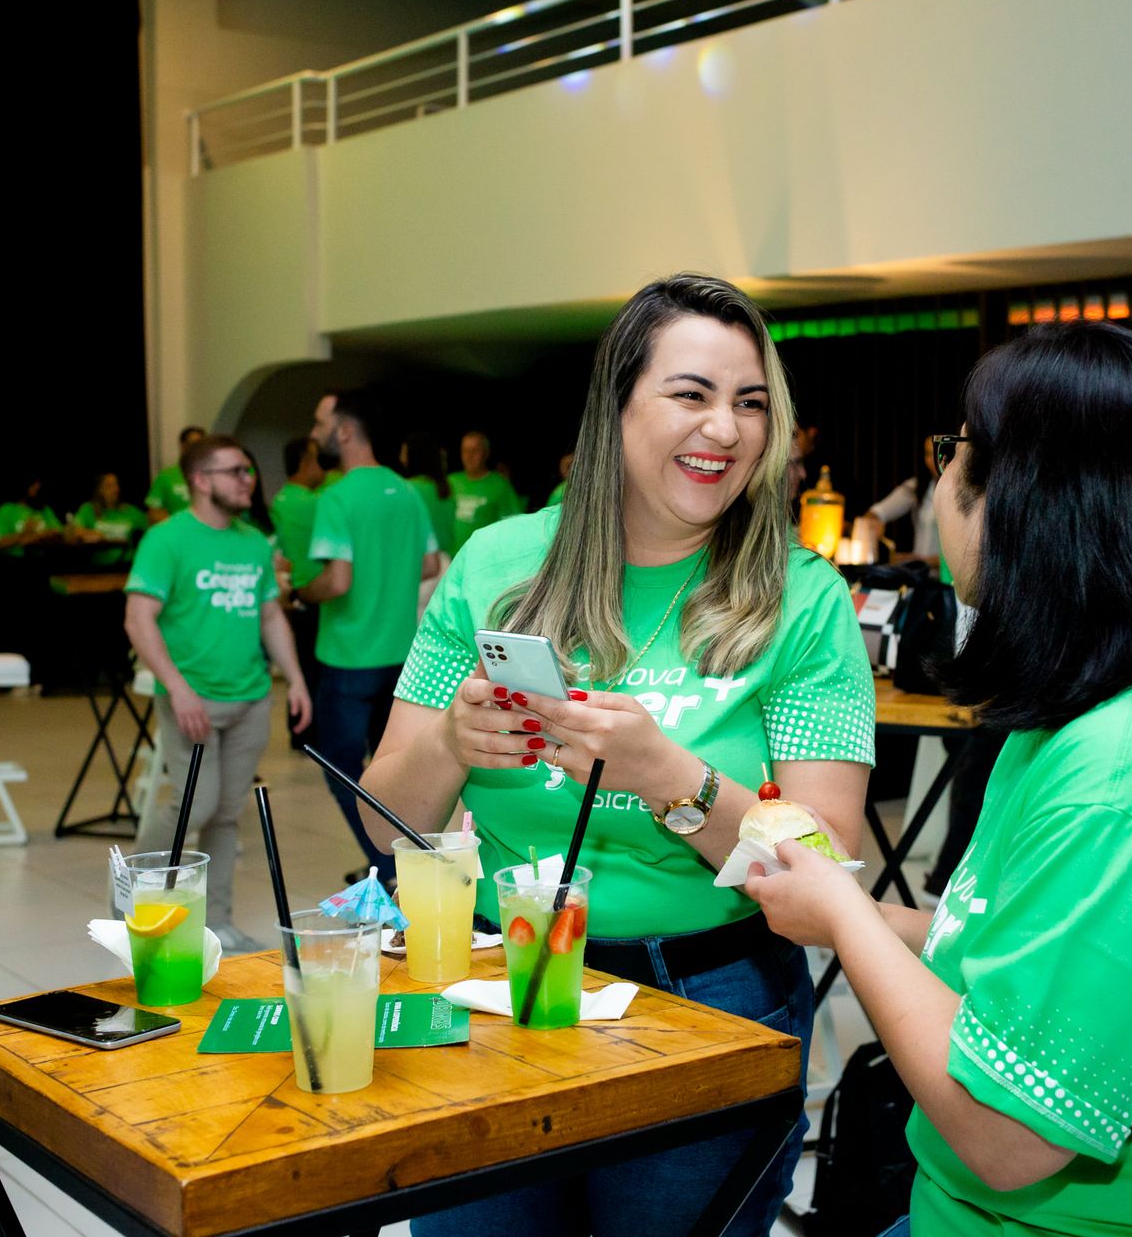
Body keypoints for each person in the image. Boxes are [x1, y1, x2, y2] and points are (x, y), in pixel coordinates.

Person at [750, 322, 1132, 1237]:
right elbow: (1040, 948)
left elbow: (1007, 1137)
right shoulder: (1107, 711)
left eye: (953, 455)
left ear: (1033, 504)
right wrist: (880, 921)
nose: (939, 486)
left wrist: (849, 923)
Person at [361, 274, 875, 1236]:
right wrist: (448, 739)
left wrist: (669, 776)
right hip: (495, 984)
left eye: (751, 403)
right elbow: (385, 819)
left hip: (711, 996)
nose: (725, 428)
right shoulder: (498, 565)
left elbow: (830, 865)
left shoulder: (801, 600)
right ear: (618, 406)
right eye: (692, 394)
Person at [125, 434, 312, 951]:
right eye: (235, 472)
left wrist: (295, 677)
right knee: (197, 803)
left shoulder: (253, 542)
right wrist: (177, 688)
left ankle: (218, 925)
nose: (247, 480)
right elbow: (138, 619)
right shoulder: (166, 540)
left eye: (248, 471)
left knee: (227, 812)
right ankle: (131, 903)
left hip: (250, 697)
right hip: (193, 699)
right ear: (201, 481)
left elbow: (270, 615)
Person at [300, 392, 440, 882]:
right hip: (401, 656)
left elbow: (336, 581)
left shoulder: (335, 497)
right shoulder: (407, 492)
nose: (314, 433)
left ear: (344, 431)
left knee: (340, 767)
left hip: (348, 656)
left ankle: (387, 863)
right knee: (390, 767)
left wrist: (301, 592)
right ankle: (400, 854)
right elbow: (428, 565)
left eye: (321, 423)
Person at [270, 436, 326, 747]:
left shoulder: (280, 500)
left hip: (291, 593)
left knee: (301, 664)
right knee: (315, 669)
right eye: (317, 459)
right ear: (305, 462)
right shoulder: (317, 503)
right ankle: (311, 733)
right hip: (316, 594)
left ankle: (300, 732)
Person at [858, 435, 943, 561]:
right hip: (921, 575)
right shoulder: (916, 487)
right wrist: (874, 524)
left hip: (949, 578)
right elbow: (875, 513)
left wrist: (923, 561)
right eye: (929, 454)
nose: (934, 460)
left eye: (939, 453)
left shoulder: (962, 490)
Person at [446, 428, 521, 554]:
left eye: (475, 450)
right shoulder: (451, 481)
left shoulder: (500, 485)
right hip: (452, 560)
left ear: (486, 453)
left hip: (483, 560)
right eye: (465, 451)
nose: (469, 456)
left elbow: (513, 524)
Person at [400, 427, 457, 573]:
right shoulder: (446, 488)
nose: (401, 456)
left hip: (422, 565)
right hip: (446, 564)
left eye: (404, 450)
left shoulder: (408, 489)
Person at [71, 470, 148, 566]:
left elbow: (152, 529)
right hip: (96, 568)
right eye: (109, 486)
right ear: (99, 490)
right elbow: (74, 531)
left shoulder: (130, 511)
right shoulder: (88, 510)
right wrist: (96, 535)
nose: (115, 490)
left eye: (117, 485)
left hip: (125, 565)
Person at [145, 424, 206, 522]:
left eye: (201, 445)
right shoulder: (166, 476)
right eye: (192, 444)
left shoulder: (213, 476)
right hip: (176, 533)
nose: (196, 449)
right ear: (182, 446)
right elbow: (154, 512)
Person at [0, 475, 60, 556]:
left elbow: (59, 534)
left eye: (39, 487)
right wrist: (24, 535)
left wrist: (44, 537)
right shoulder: (7, 510)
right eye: (33, 486)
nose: (37, 489)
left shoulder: (45, 510)